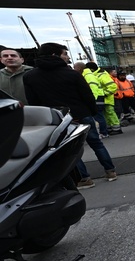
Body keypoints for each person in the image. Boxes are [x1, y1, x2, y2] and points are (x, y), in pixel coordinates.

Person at [23, 43, 117, 187]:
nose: (67, 57)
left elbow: (33, 101)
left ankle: (84, 178)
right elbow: (87, 95)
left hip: (57, 118)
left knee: (69, 150)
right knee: (96, 143)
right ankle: (110, 171)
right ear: (55, 55)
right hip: (81, 114)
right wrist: (91, 112)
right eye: (65, 54)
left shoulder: (30, 76)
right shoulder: (72, 73)